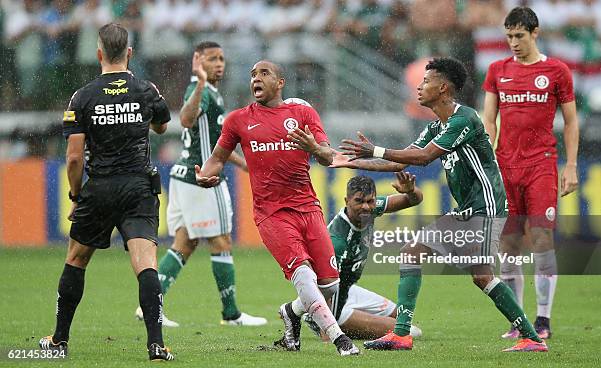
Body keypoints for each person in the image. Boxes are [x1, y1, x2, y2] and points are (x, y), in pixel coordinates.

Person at [336, 57, 547, 352]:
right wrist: (353, 162)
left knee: (426, 257)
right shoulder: (437, 125)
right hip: (469, 211)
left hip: (484, 209)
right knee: (471, 273)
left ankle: (403, 334)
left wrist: (374, 148)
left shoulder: (465, 119)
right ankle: (530, 338)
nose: (419, 87)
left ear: (443, 87)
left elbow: (423, 158)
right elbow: (406, 154)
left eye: (425, 82)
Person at [195, 60, 360, 356]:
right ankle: (339, 339)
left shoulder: (303, 113)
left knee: (330, 284)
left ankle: (291, 311)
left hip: (308, 208)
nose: (255, 79)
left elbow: (326, 157)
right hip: (271, 213)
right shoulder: (238, 120)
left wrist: (314, 147)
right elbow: (218, 158)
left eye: (263, 73)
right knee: (304, 275)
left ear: (280, 82)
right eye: (252, 75)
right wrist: (206, 173)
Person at [39, 23, 174, 361]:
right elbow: (161, 125)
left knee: (76, 259)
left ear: (99, 53)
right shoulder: (146, 89)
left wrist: (75, 194)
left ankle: (59, 340)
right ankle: (156, 344)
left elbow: (73, 157)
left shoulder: (83, 96)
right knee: (145, 264)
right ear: (129, 53)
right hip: (138, 188)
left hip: (99, 189)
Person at [134, 41, 267, 327]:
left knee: (184, 243)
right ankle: (231, 313)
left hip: (183, 177)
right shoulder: (202, 90)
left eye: (221, 58)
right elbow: (184, 119)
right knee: (221, 241)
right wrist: (200, 85)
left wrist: (248, 165)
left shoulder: (211, 92)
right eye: (212, 59)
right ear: (198, 62)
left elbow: (218, 144)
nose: (219, 63)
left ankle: (149, 307)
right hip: (203, 178)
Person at [482, 6, 579, 340]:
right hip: (505, 166)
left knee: (541, 239)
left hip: (541, 165)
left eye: (519, 36)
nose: (513, 42)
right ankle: (518, 320)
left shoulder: (556, 71)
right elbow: (489, 119)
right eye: (509, 36)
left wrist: (571, 165)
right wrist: (487, 157)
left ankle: (543, 319)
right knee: (508, 244)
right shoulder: (497, 70)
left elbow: (570, 121)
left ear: (535, 33)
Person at [303, 174, 424, 340]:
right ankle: (319, 322)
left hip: (347, 289)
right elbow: (326, 286)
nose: (366, 207)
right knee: (408, 331)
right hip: (325, 298)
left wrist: (411, 191)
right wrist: (330, 335)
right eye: (359, 201)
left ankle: (352, 323)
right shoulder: (337, 241)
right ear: (347, 201)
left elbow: (414, 200)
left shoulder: (371, 210)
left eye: (370, 201)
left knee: (401, 314)